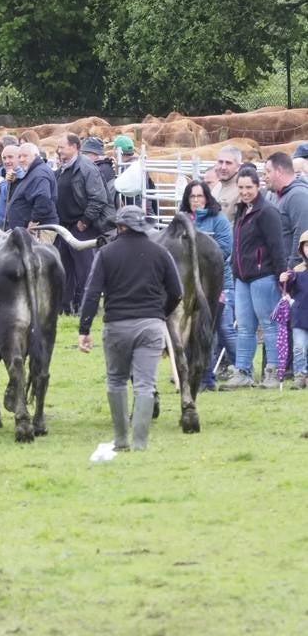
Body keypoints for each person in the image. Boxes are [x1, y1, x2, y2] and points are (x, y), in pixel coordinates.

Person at [77, 206, 183, 452]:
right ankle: (140, 442)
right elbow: (177, 292)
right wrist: (160, 313)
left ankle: (121, 439)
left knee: (116, 381)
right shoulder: (161, 252)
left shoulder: (105, 253)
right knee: (145, 384)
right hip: (151, 325)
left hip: (116, 326)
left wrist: (84, 329)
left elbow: (92, 293)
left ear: (120, 227)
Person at [224, 168, 288, 389]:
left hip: (263, 276)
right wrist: (234, 269)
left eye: (248, 187)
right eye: (240, 187)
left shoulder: (267, 212)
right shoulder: (242, 210)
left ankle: (272, 372)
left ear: (257, 186)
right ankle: (243, 371)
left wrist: (281, 277)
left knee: (269, 325)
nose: (244, 192)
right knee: (244, 326)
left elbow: (277, 246)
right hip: (242, 277)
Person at [180, 181, 234, 388]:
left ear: (207, 197)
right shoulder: (182, 221)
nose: (196, 201)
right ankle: (189, 375)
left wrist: (196, 257)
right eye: (192, 197)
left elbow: (224, 250)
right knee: (187, 332)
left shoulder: (218, 219)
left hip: (214, 286)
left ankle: (206, 377)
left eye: (199, 196)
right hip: (188, 287)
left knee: (207, 332)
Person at [54, 133, 110, 313]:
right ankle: (66, 307)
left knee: (85, 269)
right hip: (65, 226)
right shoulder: (63, 168)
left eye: (62, 147)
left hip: (81, 228)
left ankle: (86, 306)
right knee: (65, 268)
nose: (59, 150)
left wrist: (84, 222)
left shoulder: (87, 168)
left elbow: (98, 198)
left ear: (74, 147)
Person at [266, 151, 308, 262]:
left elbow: (302, 233)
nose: (266, 176)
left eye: (268, 171)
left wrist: (292, 269)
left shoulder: (298, 195)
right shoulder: (280, 196)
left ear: (279, 171)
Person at [279, 230, 308, 389]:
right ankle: (299, 376)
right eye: (306, 246)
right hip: (299, 317)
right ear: (301, 249)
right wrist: (284, 280)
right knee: (299, 348)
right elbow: (287, 289)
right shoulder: (297, 270)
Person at [209, 146, 242, 219]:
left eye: (228, 163)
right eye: (220, 162)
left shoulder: (241, 190)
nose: (223, 167)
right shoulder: (217, 187)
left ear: (238, 167)